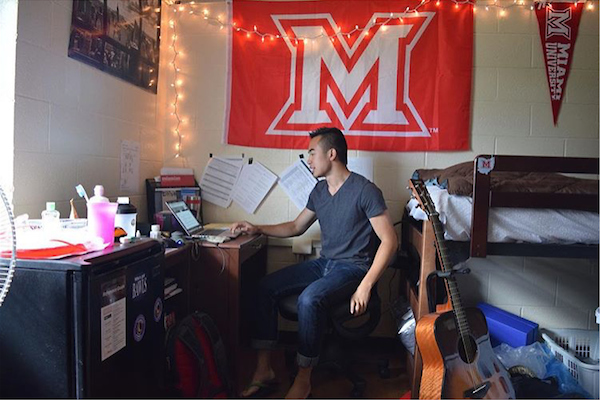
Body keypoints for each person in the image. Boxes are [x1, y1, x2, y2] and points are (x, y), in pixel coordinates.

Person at [230, 127, 398, 399]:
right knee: (264, 287)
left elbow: (390, 241)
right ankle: (264, 370)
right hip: (325, 264)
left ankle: (304, 378)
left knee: (309, 299)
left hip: (353, 268)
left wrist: (366, 286)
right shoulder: (319, 191)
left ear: (331, 154)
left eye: (312, 152)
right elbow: (296, 226)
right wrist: (257, 228)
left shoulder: (366, 190)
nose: (308, 159)